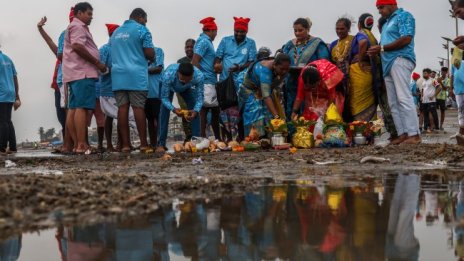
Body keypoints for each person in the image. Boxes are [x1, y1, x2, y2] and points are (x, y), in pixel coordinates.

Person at [367, 0, 421, 145]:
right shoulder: (385, 23)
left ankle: (414, 134)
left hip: (400, 59)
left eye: (381, 7)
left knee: (403, 98)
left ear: (392, 4)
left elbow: (406, 39)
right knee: (393, 102)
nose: (379, 11)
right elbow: (384, 45)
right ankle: (403, 133)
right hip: (387, 64)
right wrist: (377, 50)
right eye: (378, 8)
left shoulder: (403, 16)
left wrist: (382, 48)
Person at [62, 2, 107, 154]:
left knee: (74, 108)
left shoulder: (73, 27)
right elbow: (77, 46)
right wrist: (97, 62)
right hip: (82, 72)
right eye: (89, 14)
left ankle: (77, 145)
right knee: (81, 108)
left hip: (74, 73)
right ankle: (81, 144)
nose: (91, 17)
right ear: (79, 13)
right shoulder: (78, 27)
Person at [110, 8, 155, 153]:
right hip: (136, 75)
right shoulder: (142, 30)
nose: (146, 23)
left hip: (118, 75)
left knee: (122, 108)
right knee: (138, 108)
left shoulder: (115, 33)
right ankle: (143, 143)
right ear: (140, 17)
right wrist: (151, 57)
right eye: (145, 20)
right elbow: (150, 54)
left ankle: (125, 145)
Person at [36, 8, 73, 152]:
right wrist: (40, 29)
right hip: (59, 84)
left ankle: (71, 144)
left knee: (69, 113)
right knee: (61, 115)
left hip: (68, 81)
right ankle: (67, 144)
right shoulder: (61, 56)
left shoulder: (68, 55)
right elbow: (51, 44)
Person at [215, 17, 257, 142]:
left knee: (241, 109)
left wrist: (240, 67)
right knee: (225, 109)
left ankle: (242, 137)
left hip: (241, 82)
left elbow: (251, 62)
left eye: (242, 32)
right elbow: (218, 58)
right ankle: (226, 139)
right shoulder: (225, 41)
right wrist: (217, 66)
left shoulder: (250, 43)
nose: (239, 34)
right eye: (237, 31)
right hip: (225, 81)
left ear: (246, 32)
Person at [357, 13, 398, 138]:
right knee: (383, 107)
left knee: (386, 107)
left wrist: (359, 62)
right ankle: (380, 132)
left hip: (382, 78)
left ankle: (394, 133)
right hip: (382, 76)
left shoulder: (364, 35)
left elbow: (363, 43)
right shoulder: (376, 39)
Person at [99, 23, 137, 152]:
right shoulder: (105, 49)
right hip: (108, 88)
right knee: (109, 116)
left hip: (123, 86)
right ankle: (109, 144)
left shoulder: (124, 48)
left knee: (123, 114)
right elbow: (100, 68)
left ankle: (122, 143)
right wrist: (113, 70)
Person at [282, 18, 330, 121]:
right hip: (291, 82)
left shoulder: (317, 43)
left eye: (300, 30)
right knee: (291, 108)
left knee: (308, 109)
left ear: (307, 29)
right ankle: (292, 134)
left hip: (309, 83)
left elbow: (324, 63)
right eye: (295, 30)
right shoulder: (290, 44)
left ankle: (308, 134)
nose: (297, 33)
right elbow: (282, 60)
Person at [330, 17, 376, 122]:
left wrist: (361, 60)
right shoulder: (332, 45)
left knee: (354, 105)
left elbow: (365, 50)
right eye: (337, 29)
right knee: (341, 106)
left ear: (348, 28)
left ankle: (361, 131)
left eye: (342, 29)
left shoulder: (354, 40)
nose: (339, 31)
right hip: (339, 82)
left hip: (354, 78)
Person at [238, 54, 291, 137]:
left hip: (265, 92)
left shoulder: (281, 68)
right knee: (255, 113)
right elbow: (266, 97)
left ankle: (269, 139)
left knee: (269, 114)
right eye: (282, 69)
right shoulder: (265, 71)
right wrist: (277, 117)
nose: (284, 72)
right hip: (250, 91)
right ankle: (254, 140)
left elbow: (269, 92)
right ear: (274, 65)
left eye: (287, 69)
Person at [158, 63, 204, 149]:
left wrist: (196, 110)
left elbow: (200, 97)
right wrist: (173, 109)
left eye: (188, 79)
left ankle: (196, 140)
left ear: (193, 74)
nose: (185, 81)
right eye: (183, 79)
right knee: (164, 111)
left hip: (186, 89)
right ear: (178, 73)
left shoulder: (199, 76)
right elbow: (164, 98)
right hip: (168, 85)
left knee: (194, 108)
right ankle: (161, 143)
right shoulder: (168, 75)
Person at [291, 59, 344, 129]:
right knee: (310, 117)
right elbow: (299, 97)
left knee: (331, 119)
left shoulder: (327, 77)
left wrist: (327, 115)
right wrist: (294, 112)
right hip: (314, 96)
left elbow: (331, 97)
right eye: (308, 87)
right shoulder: (303, 77)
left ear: (319, 81)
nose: (311, 89)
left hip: (332, 95)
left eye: (313, 87)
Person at [192, 17, 220, 140]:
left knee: (214, 111)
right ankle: (202, 137)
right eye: (215, 31)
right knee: (204, 110)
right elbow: (195, 61)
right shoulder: (203, 41)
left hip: (210, 80)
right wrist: (200, 78)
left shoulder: (207, 41)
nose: (216, 34)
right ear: (211, 30)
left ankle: (215, 137)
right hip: (206, 81)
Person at [0, 49, 19, 155]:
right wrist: (16, 95)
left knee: (2, 121)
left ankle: (1, 148)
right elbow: (15, 77)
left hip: (1, 93)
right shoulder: (8, 59)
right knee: (8, 121)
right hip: (10, 93)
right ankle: (13, 147)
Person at [176, 39, 196, 142]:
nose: (189, 49)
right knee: (185, 112)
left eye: (191, 47)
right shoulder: (180, 62)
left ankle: (197, 135)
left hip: (195, 90)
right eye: (187, 47)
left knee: (195, 112)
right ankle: (188, 136)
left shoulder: (199, 59)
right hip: (182, 91)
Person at [145, 46, 164, 148]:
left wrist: (143, 69)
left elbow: (159, 68)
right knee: (150, 119)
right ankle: (153, 143)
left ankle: (160, 142)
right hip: (144, 92)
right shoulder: (140, 53)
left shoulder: (158, 50)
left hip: (156, 91)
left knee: (158, 118)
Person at [420, 68, 440, 133]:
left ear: (429, 74)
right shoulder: (423, 82)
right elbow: (422, 90)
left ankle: (436, 127)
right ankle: (426, 127)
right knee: (425, 114)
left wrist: (434, 96)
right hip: (424, 101)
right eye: (423, 73)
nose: (424, 74)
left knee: (433, 114)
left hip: (431, 101)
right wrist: (421, 96)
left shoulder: (433, 80)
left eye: (425, 73)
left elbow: (439, 88)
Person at [451, 61, 464, 145]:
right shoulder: (454, 63)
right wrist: (450, 88)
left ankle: (462, 132)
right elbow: (452, 75)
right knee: (460, 110)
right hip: (458, 90)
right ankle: (461, 132)